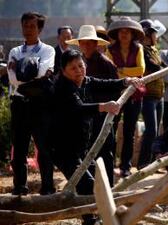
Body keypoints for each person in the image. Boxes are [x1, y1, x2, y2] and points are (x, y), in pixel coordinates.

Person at [52, 49, 142, 225]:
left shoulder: (85, 81)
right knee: (87, 184)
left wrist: (125, 81)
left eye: (81, 65)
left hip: (81, 147)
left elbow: (103, 84)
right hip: (62, 148)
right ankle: (90, 219)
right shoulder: (62, 88)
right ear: (63, 71)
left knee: (98, 180)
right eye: (73, 68)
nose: (79, 70)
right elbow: (77, 109)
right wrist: (104, 106)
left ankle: (94, 216)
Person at [7, 12, 55, 195]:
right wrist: (31, 72)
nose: (27, 30)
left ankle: (48, 188)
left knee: (44, 147)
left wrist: (21, 69)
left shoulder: (48, 51)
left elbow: (43, 71)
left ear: (40, 29)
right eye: (25, 25)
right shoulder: (15, 51)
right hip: (19, 103)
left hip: (39, 104)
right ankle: (19, 187)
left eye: (32, 26)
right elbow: (13, 80)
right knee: (19, 148)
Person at [66, 25, 118, 186]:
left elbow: (114, 89)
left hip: (102, 117)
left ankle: (108, 189)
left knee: (105, 153)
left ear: (96, 44)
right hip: (85, 117)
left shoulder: (106, 64)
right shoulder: (79, 63)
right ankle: (94, 191)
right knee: (89, 155)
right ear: (79, 44)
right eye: (83, 43)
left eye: (90, 43)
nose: (87, 46)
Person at [106, 17, 145, 177]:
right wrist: (126, 71)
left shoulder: (138, 48)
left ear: (132, 34)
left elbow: (141, 69)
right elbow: (111, 71)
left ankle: (125, 166)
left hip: (134, 95)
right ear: (117, 33)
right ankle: (109, 164)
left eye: (127, 31)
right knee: (111, 129)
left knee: (129, 132)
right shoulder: (110, 49)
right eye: (121, 31)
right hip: (116, 95)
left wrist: (121, 70)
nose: (124, 34)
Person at [137, 19, 165, 168]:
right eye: (154, 33)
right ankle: (142, 163)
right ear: (148, 34)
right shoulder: (141, 50)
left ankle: (149, 163)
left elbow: (161, 65)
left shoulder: (154, 50)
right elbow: (154, 66)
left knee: (154, 131)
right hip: (148, 96)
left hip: (158, 95)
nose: (156, 36)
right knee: (151, 130)